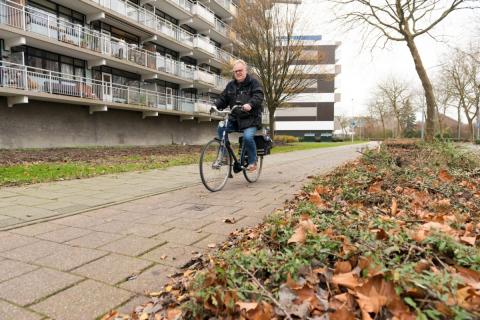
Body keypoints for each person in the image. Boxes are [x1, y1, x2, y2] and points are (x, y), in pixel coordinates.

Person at [214, 59, 264, 171]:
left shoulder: (253, 83)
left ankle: (252, 161)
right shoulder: (231, 85)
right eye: (236, 71)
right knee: (221, 127)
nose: (238, 73)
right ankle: (224, 156)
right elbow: (223, 98)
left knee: (247, 137)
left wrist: (250, 104)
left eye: (240, 70)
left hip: (251, 119)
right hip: (235, 119)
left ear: (245, 70)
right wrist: (215, 106)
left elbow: (258, 96)